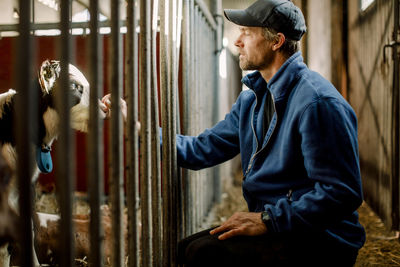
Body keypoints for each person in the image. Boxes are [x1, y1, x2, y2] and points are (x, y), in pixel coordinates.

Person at [102, 0, 366, 265]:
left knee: (201, 254)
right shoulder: (252, 101)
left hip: (322, 239)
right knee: (183, 248)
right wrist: (138, 128)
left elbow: (341, 193)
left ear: (276, 42)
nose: (237, 41)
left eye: (247, 32)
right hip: (282, 225)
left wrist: (268, 219)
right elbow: (202, 149)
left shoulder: (316, 103)